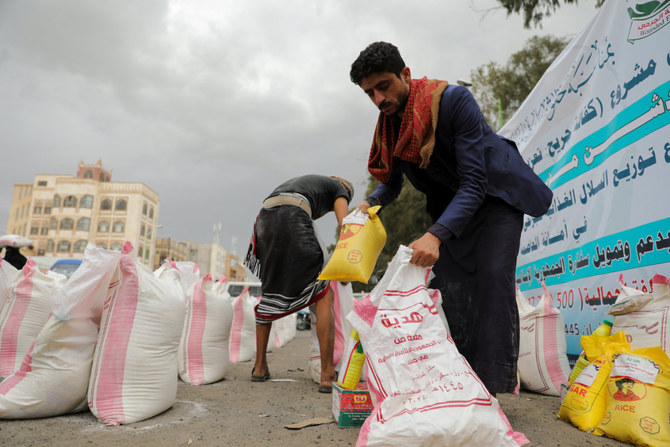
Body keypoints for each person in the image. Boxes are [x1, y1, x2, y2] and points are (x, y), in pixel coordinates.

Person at [349, 42, 552, 395]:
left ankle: (494, 389)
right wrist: (369, 204)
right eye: (370, 93)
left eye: (384, 86)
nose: (379, 99)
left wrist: (435, 235)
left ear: (406, 75)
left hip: (494, 198)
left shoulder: (454, 101)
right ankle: (459, 383)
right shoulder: (391, 127)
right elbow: (391, 185)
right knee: (451, 291)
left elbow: (475, 182)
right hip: (452, 209)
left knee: (492, 278)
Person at [244, 174, 354, 393]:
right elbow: (346, 226)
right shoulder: (339, 189)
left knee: (271, 291)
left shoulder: (307, 184)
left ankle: (259, 367)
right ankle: (326, 373)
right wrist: (345, 267)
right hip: (291, 216)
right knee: (323, 294)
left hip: (264, 220)